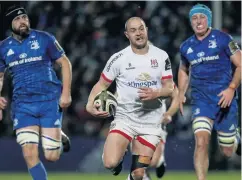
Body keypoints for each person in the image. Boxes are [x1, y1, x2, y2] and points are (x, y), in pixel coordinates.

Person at [86, 16, 175, 180]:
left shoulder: (161, 56)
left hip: (150, 122)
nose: (138, 33)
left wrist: (156, 93)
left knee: (139, 173)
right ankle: (118, 158)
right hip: (125, 119)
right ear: (127, 34)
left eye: (141, 29)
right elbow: (101, 85)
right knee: (109, 163)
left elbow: (170, 87)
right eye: (133, 30)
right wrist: (89, 104)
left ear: (147, 30)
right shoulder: (118, 59)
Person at [0, 5, 72, 180]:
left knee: (51, 156)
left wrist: (66, 93)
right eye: (17, 19)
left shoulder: (44, 38)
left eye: (24, 17)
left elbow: (65, 63)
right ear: (10, 25)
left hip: (49, 100)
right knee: (29, 153)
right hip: (23, 104)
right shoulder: (3, 47)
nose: (23, 21)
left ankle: (57, 135)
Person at [178, 4, 241, 180]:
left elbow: (240, 64)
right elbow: (183, 69)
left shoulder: (223, 39)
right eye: (194, 18)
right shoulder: (186, 46)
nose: (198, 22)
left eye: (202, 17)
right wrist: (181, 93)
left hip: (224, 99)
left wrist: (231, 89)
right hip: (201, 101)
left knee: (227, 151)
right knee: (201, 142)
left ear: (209, 19)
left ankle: (235, 136)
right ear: (190, 22)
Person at [141, 85, 179, 180]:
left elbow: (176, 97)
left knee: (152, 161)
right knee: (141, 158)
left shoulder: (163, 76)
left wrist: (168, 113)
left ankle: (159, 160)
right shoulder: (133, 75)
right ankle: (144, 174)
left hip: (157, 124)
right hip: (138, 123)